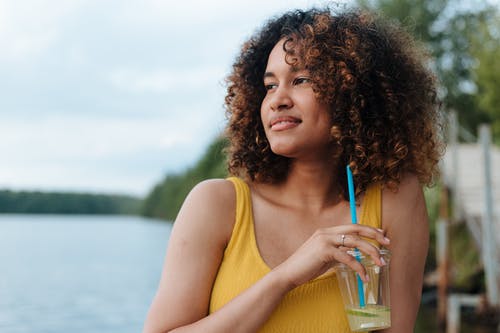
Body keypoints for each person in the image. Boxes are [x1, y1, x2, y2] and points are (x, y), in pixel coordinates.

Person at [143, 6, 442, 333]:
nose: (277, 100)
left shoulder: (393, 200)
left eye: (301, 79)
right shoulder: (217, 204)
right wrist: (287, 276)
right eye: (270, 85)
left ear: (350, 93)